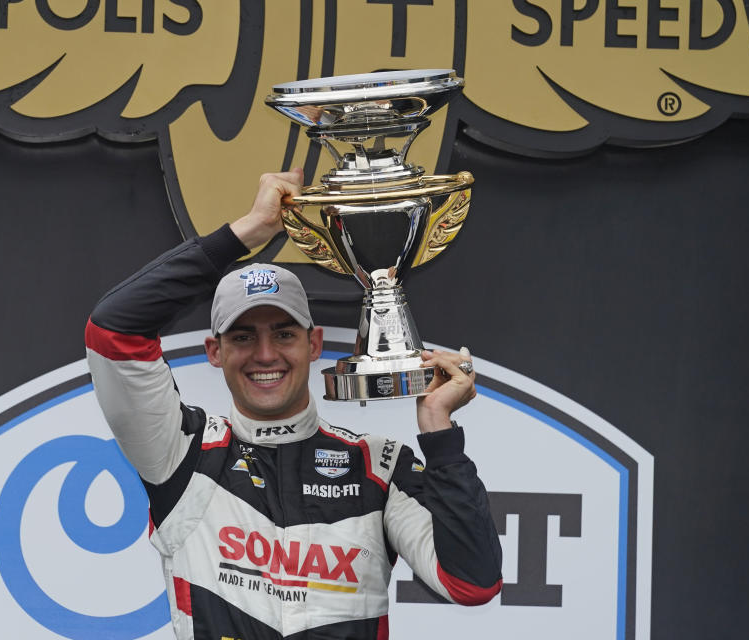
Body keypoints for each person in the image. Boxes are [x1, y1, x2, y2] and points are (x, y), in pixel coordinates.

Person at [85, 169, 502, 639]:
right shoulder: (183, 453)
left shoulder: (379, 466)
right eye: (243, 336)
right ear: (215, 352)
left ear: (314, 344)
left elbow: (472, 583)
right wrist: (247, 233)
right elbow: (113, 331)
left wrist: (439, 433)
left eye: (283, 333)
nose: (265, 354)